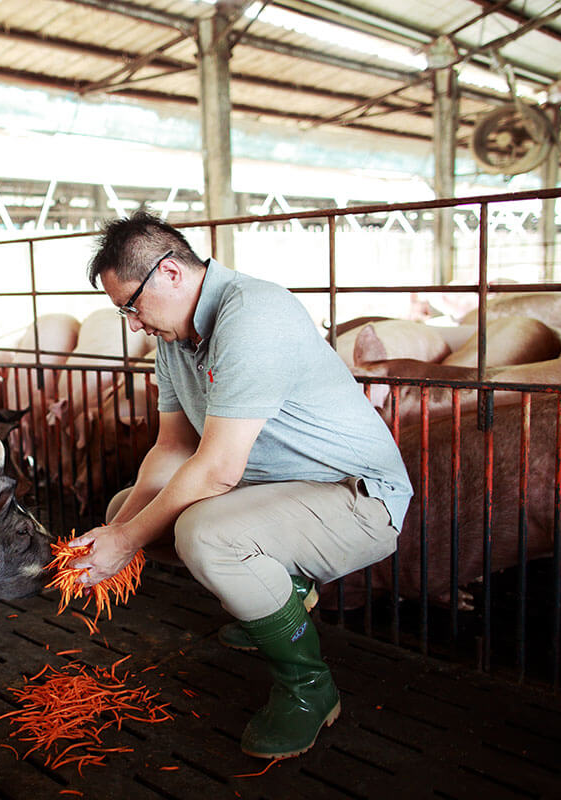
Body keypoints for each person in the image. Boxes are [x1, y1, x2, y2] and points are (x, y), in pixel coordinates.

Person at [68, 211, 412, 759]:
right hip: (277, 491)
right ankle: (285, 595)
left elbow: (220, 468)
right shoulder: (176, 336)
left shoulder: (253, 314)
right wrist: (117, 529)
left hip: (356, 497)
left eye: (131, 306)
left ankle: (309, 691)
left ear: (171, 274)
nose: (132, 323)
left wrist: (126, 542)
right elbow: (174, 448)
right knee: (125, 509)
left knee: (206, 534)